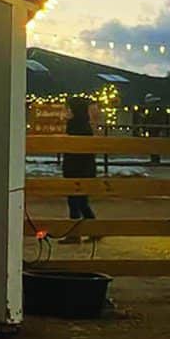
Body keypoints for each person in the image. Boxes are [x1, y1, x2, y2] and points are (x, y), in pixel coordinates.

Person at [60, 96, 97, 243]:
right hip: (83, 168)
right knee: (81, 202)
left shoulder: (75, 125)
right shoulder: (84, 125)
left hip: (76, 168)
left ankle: (75, 234)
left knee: (75, 202)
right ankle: (94, 229)